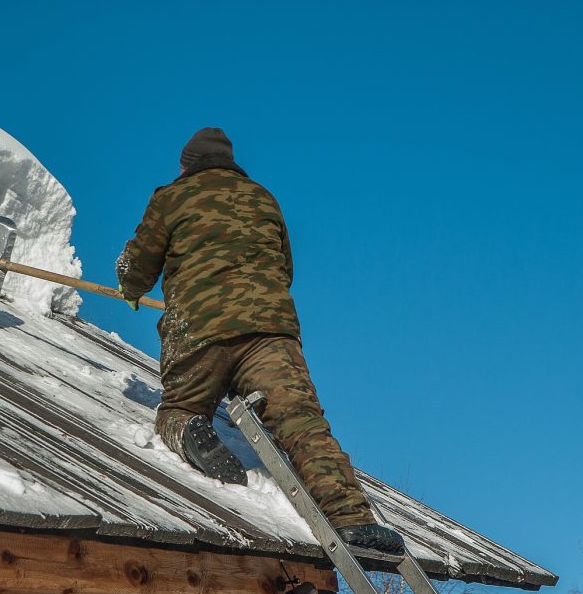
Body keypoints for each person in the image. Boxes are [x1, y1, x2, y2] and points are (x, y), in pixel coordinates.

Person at [116, 128, 404, 554]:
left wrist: (130, 288)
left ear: (187, 164)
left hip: (199, 328)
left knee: (181, 405)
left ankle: (190, 429)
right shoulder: (263, 198)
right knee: (302, 421)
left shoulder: (172, 197)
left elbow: (137, 265)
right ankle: (351, 519)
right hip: (270, 330)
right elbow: (283, 268)